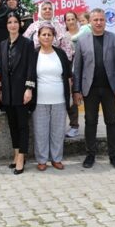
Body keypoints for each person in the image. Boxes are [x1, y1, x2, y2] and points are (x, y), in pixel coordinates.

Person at [72, 8, 115, 170]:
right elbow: (78, 68)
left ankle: (114, 155)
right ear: (90, 22)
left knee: (111, 121)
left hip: (110, 89)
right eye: (95, 20)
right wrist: (76, 90)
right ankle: (90, 154)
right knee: (90, 122)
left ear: (105, 21)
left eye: (101, 19)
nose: (98, 22)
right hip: (90, 89)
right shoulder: (82, 41)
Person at [31, 24, 72, 171]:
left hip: (59, 99)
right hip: (40, 100)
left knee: (58, 131)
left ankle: (56, 159)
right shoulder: (34, 54)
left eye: (49, 34)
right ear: (39, 37)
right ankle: (42, 160)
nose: (46, 37)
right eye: (44, 34)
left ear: (54, 37)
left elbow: (68, 76)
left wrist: (71, 95)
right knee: (40, 131)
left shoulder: (60, 54)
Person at [0, 12, 35, 175]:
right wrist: (0, 89)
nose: (12, 25)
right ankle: (15, 154)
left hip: (22, 91)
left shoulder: (27, 43)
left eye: (15, 22)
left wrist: (29, 88)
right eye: (9, 22)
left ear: (20, 24)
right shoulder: (3, 44)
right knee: (12, 125)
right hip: (8, 92)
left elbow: (31, 67)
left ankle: (22, 157)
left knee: (22, 126)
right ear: (6, 25)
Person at [63, 11, 81, 138]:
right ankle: (73, 125)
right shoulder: (63, 36)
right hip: (68, 69)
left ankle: (79, 125)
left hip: (82, 69)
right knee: (70, 97)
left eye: (72, 19)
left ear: (76, 20)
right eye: (68, 19)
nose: (70, 21)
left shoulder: (84, 34)